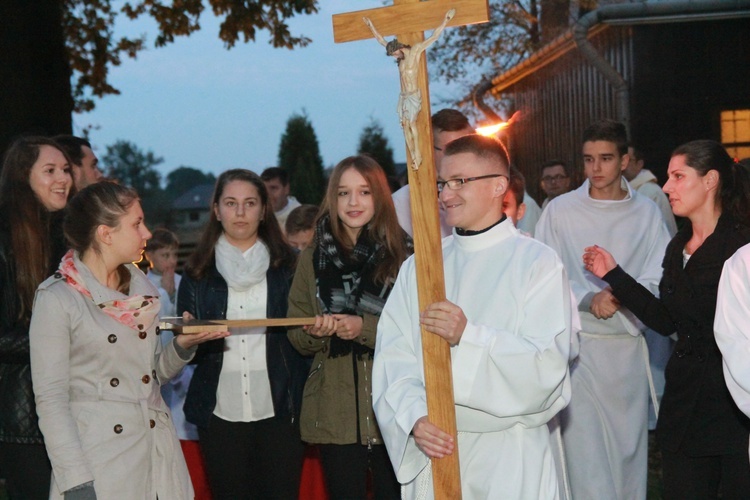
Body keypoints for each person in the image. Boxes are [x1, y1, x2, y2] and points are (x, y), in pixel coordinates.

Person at [373, 134, 573, 498]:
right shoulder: (422, 267)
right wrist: (415, 417)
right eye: (442, 183)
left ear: (499, 185)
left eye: (459, 182)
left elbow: (548, 365)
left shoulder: (537, 264)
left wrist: (469, 336)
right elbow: (393, 355)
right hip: (438, 451)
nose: (445, 195)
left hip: (510, 453)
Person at [29, 181, 228, 498]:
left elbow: (151, 377)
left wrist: (182, 346)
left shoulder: (144, 292)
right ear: (105, 234)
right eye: (137, 224)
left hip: (156, 455)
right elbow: (51, 401)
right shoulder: (58, 299)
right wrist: (76, 482)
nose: (147, 233)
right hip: (100, 462)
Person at [584, 140, 750, 498]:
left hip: (731, 407)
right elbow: (668, 321)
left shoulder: (740, 246)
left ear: (710, 181)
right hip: (683, 405)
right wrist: (615, 275)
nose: (666, 186)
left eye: (678, 176)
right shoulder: (678, 246)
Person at [536, 119, 670, 500]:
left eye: (606, 158)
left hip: (627, 352)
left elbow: (659, 274)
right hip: (581, 349)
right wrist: (586, 297)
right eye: (588, 159)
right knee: (586, 461)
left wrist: (622, 295)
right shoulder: (560, 210)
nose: (595, 168)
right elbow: (545, 273)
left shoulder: (646, 213)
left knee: (628, 458)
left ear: (625, 160)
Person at [287, 155, 412, 499]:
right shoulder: (313, 255)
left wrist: (365, 328)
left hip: (396, 408)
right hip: (334, 411)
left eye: (364, 192)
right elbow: (295, 332)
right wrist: (314, 332)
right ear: (332, 198)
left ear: (380, 197)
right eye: (343, 193)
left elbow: (418, 332)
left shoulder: (406, 254)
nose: (353, 202)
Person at [179, 169, 308, 499]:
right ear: (216, 209)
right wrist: (188, 339)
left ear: (263, 210)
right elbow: (184, 350)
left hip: (280, 407)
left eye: (249, 203)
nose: (240, 212)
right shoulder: (196, 271)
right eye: (231, 203)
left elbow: (302, 339)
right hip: (219, 411)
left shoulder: (290, 266)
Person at [0, 136, 73, 498]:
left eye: (65, 170)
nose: (62, 178)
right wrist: (62, 338)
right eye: (50, 170)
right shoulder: (6, 242)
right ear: (22, 177)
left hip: (71, 408)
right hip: (22, 415)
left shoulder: (67, 236)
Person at [144, 228, 212, 499]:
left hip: (181, 362)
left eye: (173, 254)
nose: (170, 261)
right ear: (149, 257)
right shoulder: (144, 285)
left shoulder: (184, 282)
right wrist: (165, 293)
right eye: (164, 255)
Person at [364, 9, 455, 170]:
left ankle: (417, 154)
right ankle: (413, 154)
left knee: (412, 124)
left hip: (413, 96)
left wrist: (446, 20)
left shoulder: (415, 52)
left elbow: (433, 36)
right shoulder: (399, 57)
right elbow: (380, 39)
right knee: (405, 126)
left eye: (394, 54)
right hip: (404, 96)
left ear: (398, 48)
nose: (394, 57)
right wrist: (371, 25)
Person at [392, 109, 475, 238]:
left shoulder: (483, 193)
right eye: (451, 148)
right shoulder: (403, 204)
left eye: (466, 146)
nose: (460, 155)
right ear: (429, 150)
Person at [624, 145, 678, 236]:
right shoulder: (620, 189)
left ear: (639, 164)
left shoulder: (651, 191)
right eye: (621, 159)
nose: (623, 164)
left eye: (628, 160)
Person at [261, 166, 300, 233]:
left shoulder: (301, 217)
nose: (267, 194)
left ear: (286, 189)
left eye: (273, 188)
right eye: (263, 189)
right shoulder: (256, 215)